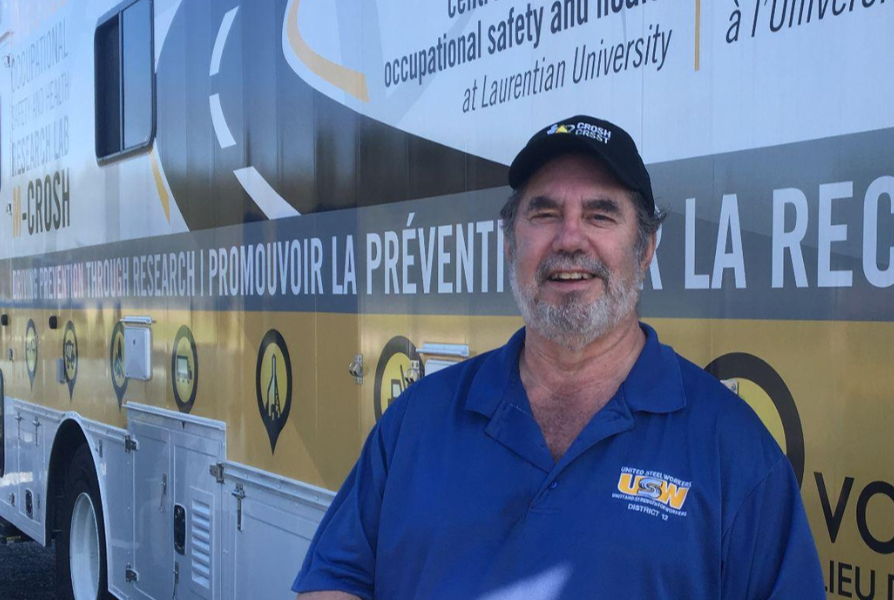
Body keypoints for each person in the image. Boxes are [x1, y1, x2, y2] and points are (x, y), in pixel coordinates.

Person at [293, 116, 825, 599]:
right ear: (510, 244)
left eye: (600, 214)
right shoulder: (416, 421)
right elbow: (336, 579)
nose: (570, 239)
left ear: (645, 249)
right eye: (544, 213)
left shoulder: (733, 451)